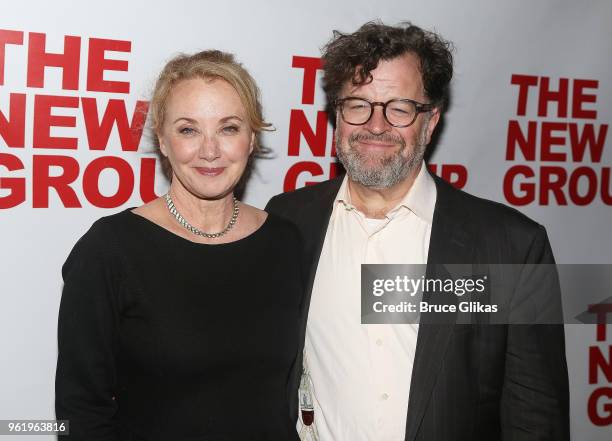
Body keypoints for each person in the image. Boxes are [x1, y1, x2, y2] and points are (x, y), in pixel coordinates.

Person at [266, 22, 570, 441]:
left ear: (430, 122)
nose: (376, 125)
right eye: (358, 104)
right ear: (337, 115)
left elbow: (535, 416)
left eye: (400, 107)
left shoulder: (509, 247)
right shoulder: (288, 221)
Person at [56, 50, 303, 440]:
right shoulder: (110, 250)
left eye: (228, 128)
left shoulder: (287, 242)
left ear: (251, 139)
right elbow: (81, 412)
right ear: (163, 140)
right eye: (188, 129)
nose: (209, 150)